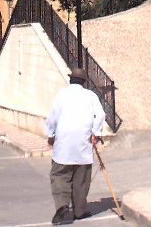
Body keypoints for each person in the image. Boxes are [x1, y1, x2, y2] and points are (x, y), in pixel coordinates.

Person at [45, 67, 105, 225]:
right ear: (84, 82)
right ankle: (79, 211)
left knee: (59, 175)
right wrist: (96, 133)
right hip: (83, 142)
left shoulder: (61, 95)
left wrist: (50, 135)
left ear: (70, 80)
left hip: (63, 142)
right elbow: (100, 115)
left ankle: (62, 206)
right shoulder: (90, 96)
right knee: (81, 178)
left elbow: (52, 117)